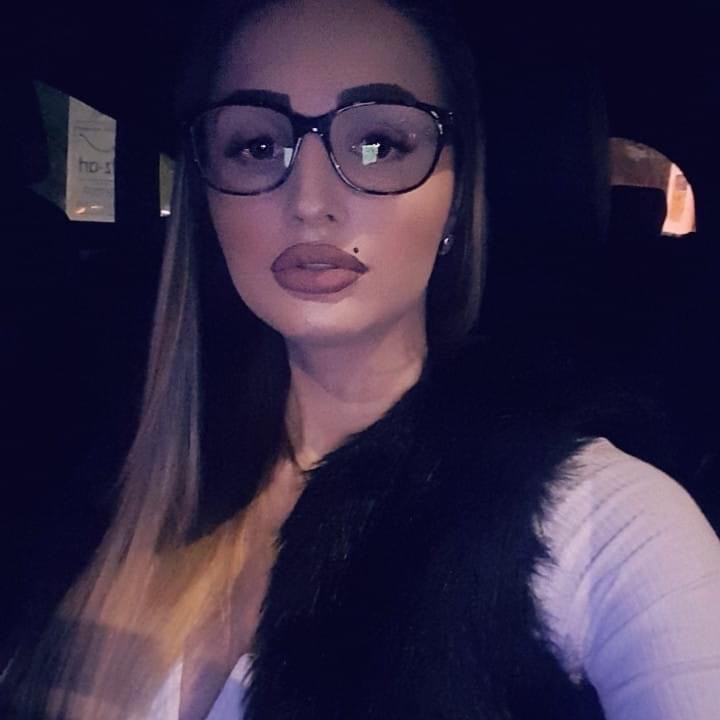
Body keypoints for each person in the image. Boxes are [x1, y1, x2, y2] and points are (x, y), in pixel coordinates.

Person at [4, 0, 720, 718]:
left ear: (457, 199)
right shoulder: (108, 481)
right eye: (256, 146)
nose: (309, 201)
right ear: (208, 199)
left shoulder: (603, 520)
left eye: (379, 143)